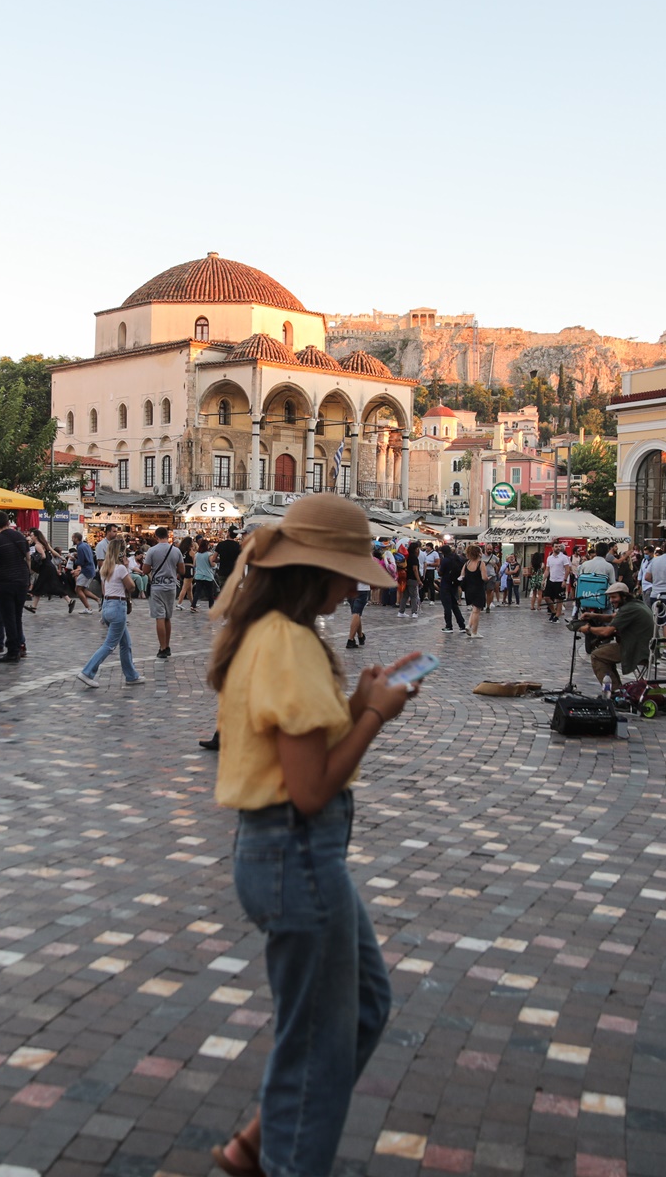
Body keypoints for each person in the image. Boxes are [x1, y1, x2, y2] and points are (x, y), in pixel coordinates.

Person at [204, 493, 414, 1177]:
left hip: (283, 853)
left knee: (363, 1007)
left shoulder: (266, 632)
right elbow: (312, 787)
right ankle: (286, 1160)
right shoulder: (290, 645)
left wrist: (355, 706)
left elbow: (297, 745)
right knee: (320, 1044)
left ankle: (258, 1142)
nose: (357, 584)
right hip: (297, 854)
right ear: (316, 570)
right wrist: (375, 718)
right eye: (349, 570)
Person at [75, 533, 147, 689]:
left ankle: (131, 675)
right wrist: (127, 567)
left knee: (126, 644)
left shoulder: (104, 568)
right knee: (109, 645)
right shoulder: (120, 568)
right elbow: (131, 586)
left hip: (107, 604)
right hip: (117, 606)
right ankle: (87, 672)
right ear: (120, 553)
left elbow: (103, 589)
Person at [580, 581, 654, 696]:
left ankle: (615, 692)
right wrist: (593, 615)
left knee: (597, 655)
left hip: (638, 649)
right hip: (647, 647)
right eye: (610, 598)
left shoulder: (628, 609)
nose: (611, 600)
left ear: (623, 596)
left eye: (614, 597)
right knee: (604, 651)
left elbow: (607, 631)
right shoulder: (636, 604)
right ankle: (618, 690)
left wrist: (588, 629)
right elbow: (612, 617)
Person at [0, 512, 32, 661]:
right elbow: (28, 559)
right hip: (21, 580)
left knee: (8, 617)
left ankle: (12, 651)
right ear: (8, 521)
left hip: (5, 582)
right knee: (17, 616)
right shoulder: (21, 537)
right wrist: (26, 576)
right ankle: (18, 646)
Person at [141, 525, 185, 659]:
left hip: (157, 587)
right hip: (171, 586)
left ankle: (162, 647)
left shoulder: (152, 551)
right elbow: (182, 571)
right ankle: (168, 645)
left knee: (159, 617)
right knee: (167, 617)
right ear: (168, 535)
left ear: (156, 536)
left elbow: (145, 571)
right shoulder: (176, 551)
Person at [438, 542, 467, 633]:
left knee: (447, 606)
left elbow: (440, 572)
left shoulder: (445, 560)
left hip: (446, 584)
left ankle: (449, 625)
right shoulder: (457, 558)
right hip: (454, 584)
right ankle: (462, 625)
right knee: (454, 605)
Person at [460, 543, 488, 638]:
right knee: (477, 611)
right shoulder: (481, 563)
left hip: (469, 589)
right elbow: (484, 577)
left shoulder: (466, 563)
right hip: (478, 589)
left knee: (474, 609)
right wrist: (489, 578)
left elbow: (462, 575)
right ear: (478, 553)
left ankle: (469, 625)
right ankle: (474, 632)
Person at [69, 531, 98, 614]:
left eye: (73, 538)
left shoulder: (80, 547)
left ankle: (88, 608)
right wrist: (77, 555)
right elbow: (88, 556)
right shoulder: (85, 545)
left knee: (78, 589)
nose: (72, 539)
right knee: (83, 589)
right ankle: (98, 600)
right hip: (90, 569)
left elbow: (81, 562)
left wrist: (74, 559)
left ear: (76, 538)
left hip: (86, 571)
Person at [544, 543, 572, 621]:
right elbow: (547, 569)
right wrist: (543, 579)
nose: (558, 548)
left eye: (559, 546)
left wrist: (565, 580)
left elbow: (567, 569)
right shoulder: (549, 558)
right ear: (552, 548)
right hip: (551, 580)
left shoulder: (564, 558)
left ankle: (557, 615)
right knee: (546, 597)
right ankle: (553, 611)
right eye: (556, 547)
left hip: (560, 580)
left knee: (559, 599)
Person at [191, 538, 219, 610]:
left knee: (197, 592)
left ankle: (193, 605)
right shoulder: (209, 554)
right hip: (208, 575)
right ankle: (211, 607)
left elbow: (194, 565)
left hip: (198, 575)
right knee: (210, 592)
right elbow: (212, 564)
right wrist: (215, 565)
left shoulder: (196, 554)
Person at [214, 525, 242, 591]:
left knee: (223, 592)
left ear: (228, 533)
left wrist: (220, 560)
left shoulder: (221, 544)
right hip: (234, 572)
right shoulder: (238, 546)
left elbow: (213, 559)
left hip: (223, 572)